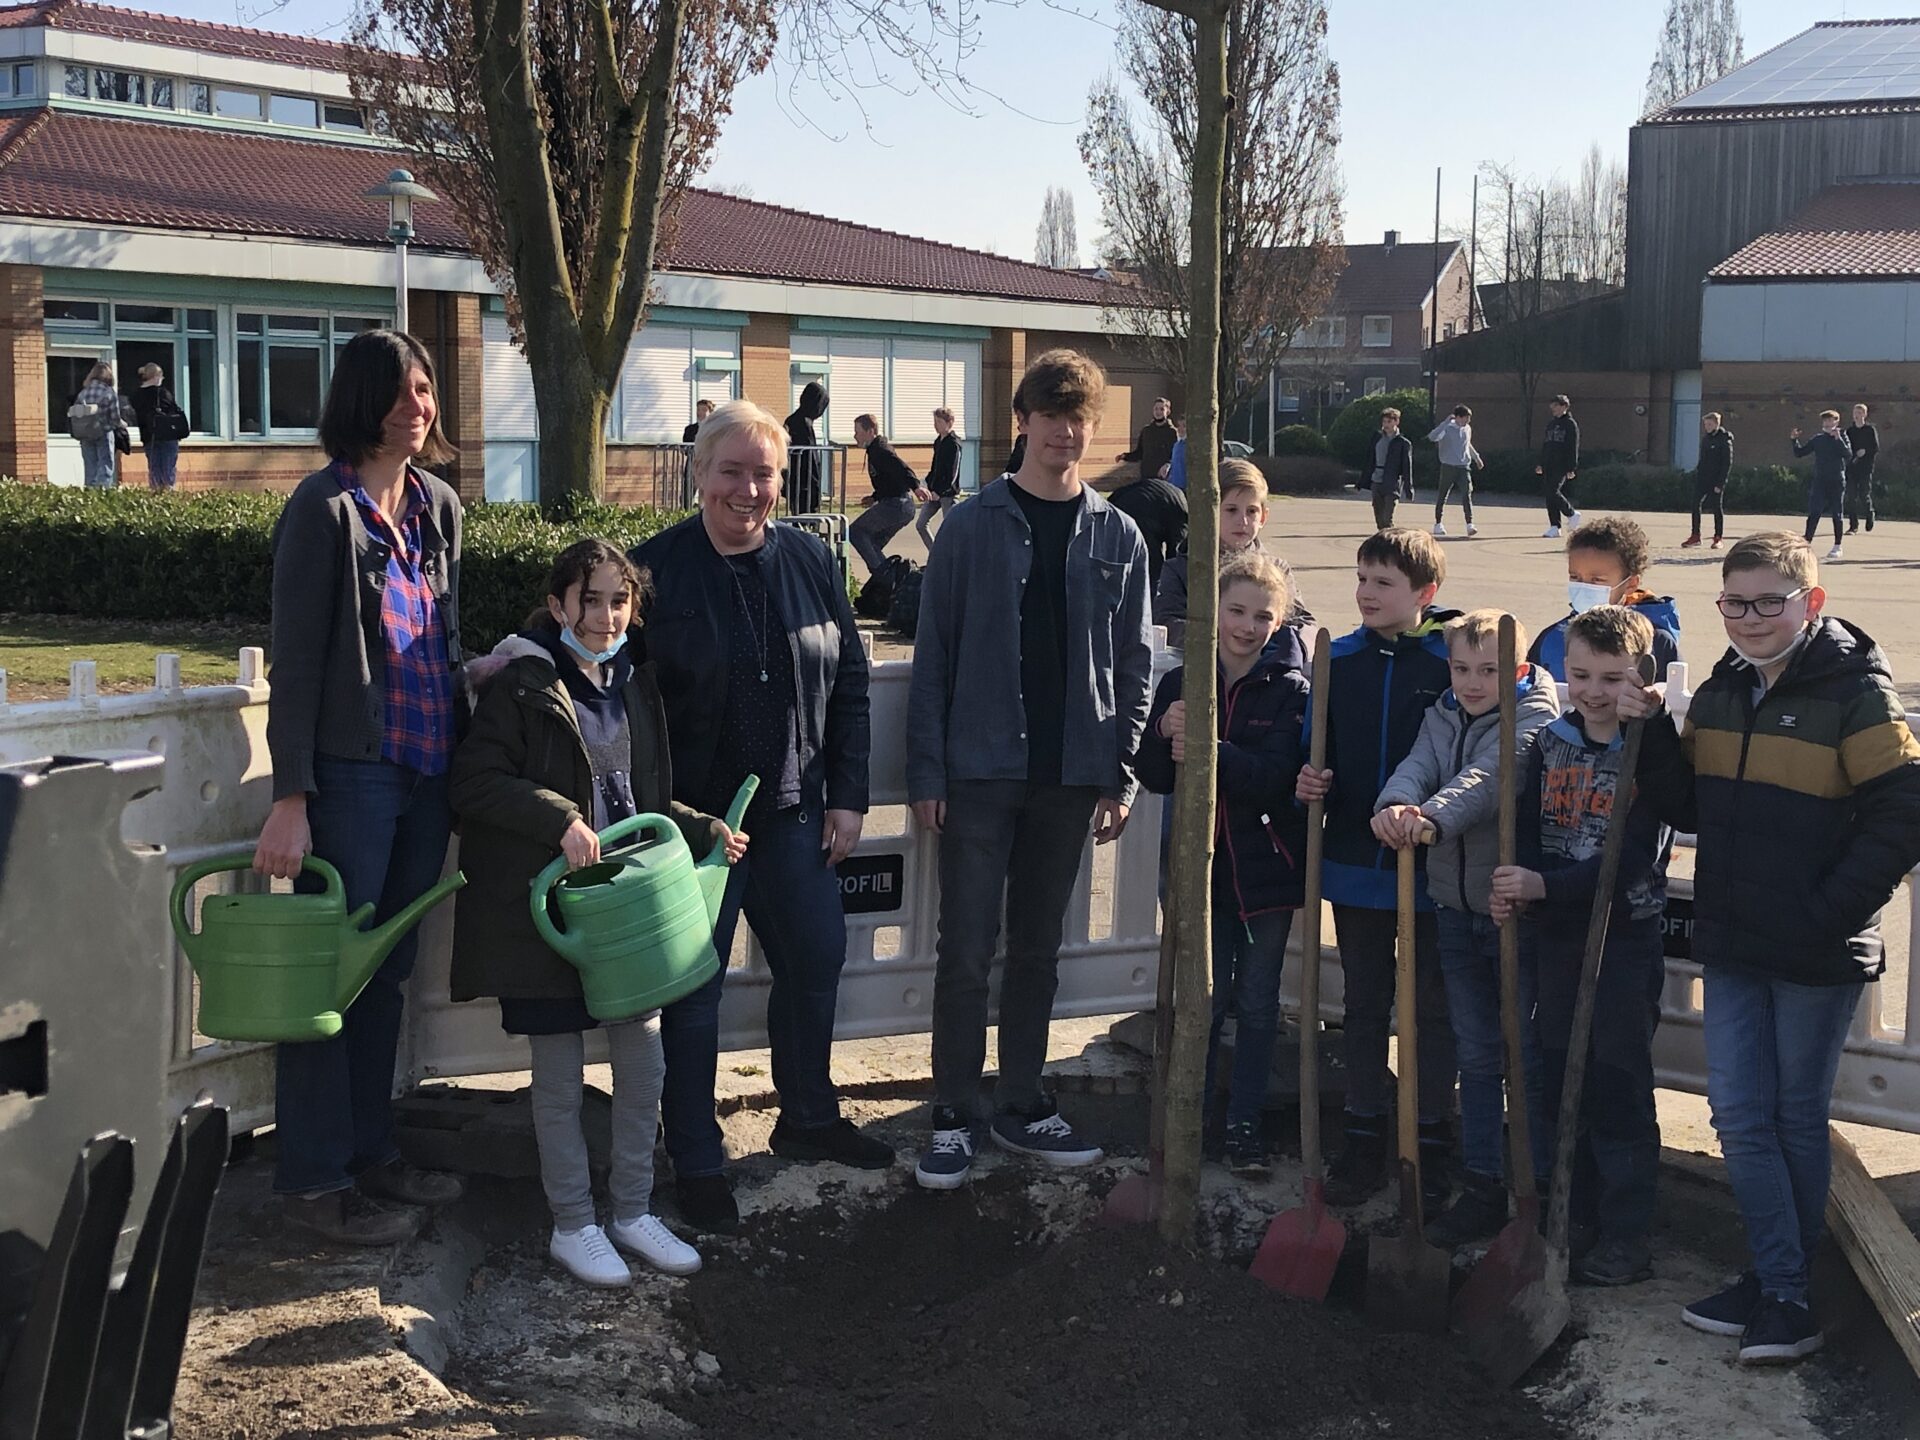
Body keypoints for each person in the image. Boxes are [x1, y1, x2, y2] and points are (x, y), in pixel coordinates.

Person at [1622, 534, 1920, 1363]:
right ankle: (1776, 1278)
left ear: (1810, 604)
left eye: (1768, 602)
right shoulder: (1722, 690)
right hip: (1736, 942)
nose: (1749, 619)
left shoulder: (1854, 694)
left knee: (1790, 1118)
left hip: (1815, 951)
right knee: (1741, 1117)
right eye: (1734, 602)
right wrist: (1650, 731)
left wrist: (1827, 911)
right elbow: (1688, 801)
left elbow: (1903, 812)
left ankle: (1789, 1295)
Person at [449, 540, 746, 1286]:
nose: (605, 615)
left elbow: (638, 799)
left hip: (624, 914)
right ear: (558, 606)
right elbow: (474, 784)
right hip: (550, 915)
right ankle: (573, 1224)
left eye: (619, 600)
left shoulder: (633, 684)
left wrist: (699, 822)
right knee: (557, 1076)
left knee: (644, 1059)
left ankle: (632, 1211)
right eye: (590, 599)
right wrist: (557, 820)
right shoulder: (523, 683)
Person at [633, 400, 891, 1234]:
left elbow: (850, 680)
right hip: (694, 830)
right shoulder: (653, 571)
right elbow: (610, 682)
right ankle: (698, 1158)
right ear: (700, 474)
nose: (748, 490)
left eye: (764, 474)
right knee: (694, 995)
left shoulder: (813, 561)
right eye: (732, 472)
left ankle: (808, 1118)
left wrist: (848, 793)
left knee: (816, 963)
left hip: (793, 811)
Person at [906, 348, 1152, 1190]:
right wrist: (928, 773)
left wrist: (1118, 774)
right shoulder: (973, 525)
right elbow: (933, 652)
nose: (1066, 431)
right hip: (978, 772)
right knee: (967, 948)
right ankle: (950, 1113)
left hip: (1071, 774)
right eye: (1051, 415)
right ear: (1022, 422)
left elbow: (1133, 664)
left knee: (1038, 950)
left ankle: (1021, 1101)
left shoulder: (1118, 533)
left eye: (1079, 417)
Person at [251, 330, 467, 1246]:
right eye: (397, 391)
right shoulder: (322, 509)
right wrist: (292, 795)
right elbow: (296, 662)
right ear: (360, 399)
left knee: (387, 979)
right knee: (328, 981)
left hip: (426, 775)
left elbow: (441, 635)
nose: (415, 407)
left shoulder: (439, 508)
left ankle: (374, 1155)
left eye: (423, 390)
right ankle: (313, 1184)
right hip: (349, 778)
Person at [1491, 606, 1672, 1288]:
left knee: (1617, 1075)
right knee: (1560, 1063)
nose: (1594, 691)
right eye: (1580, 675)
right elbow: (1530, 826)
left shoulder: (1645, 748)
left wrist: (1547, 884)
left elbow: (1628, 862)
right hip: (1559, 937)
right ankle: (1574, 1213)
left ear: (1638, 677)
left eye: (1611, 677)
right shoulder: (1552, 741)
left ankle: (1627, 1233)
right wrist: (1522, 878)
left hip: (1624, 937)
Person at [1372, 610, 1560, 1244]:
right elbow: (1419, 763)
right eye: (1461, 669)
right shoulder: (1444, 711)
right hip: (1454, 908)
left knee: (1523, 1056)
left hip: (1514, 913)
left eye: (1490, 670)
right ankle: (1482, 1187)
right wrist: (1396, 804)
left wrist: (1429, 818)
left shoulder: (1535, 718)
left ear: (1520, 668)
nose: (1474, 682)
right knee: (1476, 1056)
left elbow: (1490, 779)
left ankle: (1534, 1188)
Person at [1294, 527, 1459, 1208]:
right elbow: (1314, 743)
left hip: (1431, 867)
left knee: (1430, 1011)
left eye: (1384, 582)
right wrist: (1308, 778)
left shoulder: (1451, 659)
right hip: (1354, 862)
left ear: (1425, 593)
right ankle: (1362, 1137)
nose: (1366, 592)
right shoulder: (1341, 658)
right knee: (1364, 1005)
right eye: (1361, 578)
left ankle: (1430, 1140)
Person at [1135, 551, 1308, 1174]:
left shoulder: (1291, 689)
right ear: (1214, 612)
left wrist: (1208, 745)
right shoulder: (1183, 681)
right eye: (1235, 611)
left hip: (1266, 867)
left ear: (1280, 620)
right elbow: (1156, 779)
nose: (1247, 625)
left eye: (1263, 615)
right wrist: (1162, 734)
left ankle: (1244, 1125)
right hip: (1199, 868)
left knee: (1259, 1003)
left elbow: (1270, 777)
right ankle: (1194, 1116)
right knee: (1201, 1001)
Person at [1155, 459, 1311, 651]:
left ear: (1263, 517)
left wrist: (1268, 641)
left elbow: (1305, 625)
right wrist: (1228, 637)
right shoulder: (1180, 569)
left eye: (1252, 511)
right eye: (1231, 510)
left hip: (1266, 672)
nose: (1242, 520)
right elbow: (1166, 625)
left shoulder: (1277, 570)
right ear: (1208, 513)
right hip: (1204, 673)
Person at [1529, 516, 1681, 683]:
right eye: (1575, 577)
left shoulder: (1657, 642)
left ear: (1630, 584)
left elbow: (1673, 701)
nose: (1584, 587)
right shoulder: (1550, 639)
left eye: (1597, 580)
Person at [849, 413, 928, 577]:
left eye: (857, 431)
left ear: (870, 431)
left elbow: (901, 467)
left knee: (856, 532)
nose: (855, 436)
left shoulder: (880, 449)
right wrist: (874, 497)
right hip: (900, 505)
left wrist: (916, 487)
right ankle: (890, 579)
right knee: (872, 542)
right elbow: (888, 480)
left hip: (897, 505)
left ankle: (883, 577)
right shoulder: (874, 450)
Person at [1105, 467, 1188, 588]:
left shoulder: (1176, 494)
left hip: (1122, 505)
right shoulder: (1181, 512)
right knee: (1151, 565)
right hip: (1141, 512)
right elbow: (1176, 554)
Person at [1790, 412, 1848, 562]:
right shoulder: (1818, 439)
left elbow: (1848, 454)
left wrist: (1838, 439)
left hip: (1836, 480)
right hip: (1820, 480)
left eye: (1830, 420)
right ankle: (1806, 543)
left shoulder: (1842, 436)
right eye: (1825, 421)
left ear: (1836, 421)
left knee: (1837, 513)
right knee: (1814, 511)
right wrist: (1794, 440)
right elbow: (1800, 453)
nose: (1827, 423)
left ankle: (1837, 545)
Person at [69, 359, 133, 490]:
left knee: (90, 464)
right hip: (103, 431)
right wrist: (123, 424)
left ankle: (90, 492)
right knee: (105, 463)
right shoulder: (109, 393)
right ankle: (103, 491)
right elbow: (115, 418)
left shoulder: (83, 392)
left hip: (85, 433)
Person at [129, 362, 187, 491]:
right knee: (168, 468)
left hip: (149, 436)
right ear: (156, 376)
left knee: (154, 468)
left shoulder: (136, 395)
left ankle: (155, 494)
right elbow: (175, 411)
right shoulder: (163, 393)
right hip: (167, 435)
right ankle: (168, 494)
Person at [1427, 405, 1484, 537]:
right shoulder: (1447, 428)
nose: (1467, 421)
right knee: (1443, 495)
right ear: (1457, 417)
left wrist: (1477, 458)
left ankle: (1470, 523)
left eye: (1468, 418)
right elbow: (1432, 437)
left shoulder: (1467, 429)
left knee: (1466, 493)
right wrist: (1445, 422)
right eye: (1465, 418)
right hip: (1448, 466)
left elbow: (1467, 444)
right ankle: (1438, 523)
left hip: (1463, 467)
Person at [1684, 413, 1734, 550]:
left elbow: (1727, 464)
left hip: (1716, 480)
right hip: (1703, 479)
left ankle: (1718, 538)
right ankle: (1695, 536)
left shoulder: (1725, 440)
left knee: (1716, 507)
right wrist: (1697, 473)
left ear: (1717, 424)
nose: (1707, 427)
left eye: (1709, 424)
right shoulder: (1706, 439)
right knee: (1695, 504)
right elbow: (1703, 459)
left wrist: (1720, 484)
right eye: (1705, 424)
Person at [916, 406, 963, 548]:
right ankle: (935, 555)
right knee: (921, 524)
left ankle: (956, 558)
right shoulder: (938, 442)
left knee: (951, 529)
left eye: (939, 422)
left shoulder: (954, 443)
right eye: (934, 422)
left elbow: (952, 474)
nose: (936, 425)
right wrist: (924, 484)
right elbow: (935, 468)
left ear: (949, 423)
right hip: (933, 493)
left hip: (947, 494)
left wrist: (940, 492)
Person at [1537, 395, 1581, 538]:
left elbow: (1573, 446)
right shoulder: (1550, 424)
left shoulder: (1570, 424)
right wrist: (1541, 463)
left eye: (1555, 406)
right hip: (1548, 463)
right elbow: (1546, 445)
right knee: (1549, 495)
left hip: (1561, 465)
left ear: (1564, 406)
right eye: (1552, 406)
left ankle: (1572, 513)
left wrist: (1571, 467)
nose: (1553, 409)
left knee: (1553, 490)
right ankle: (1554, 526)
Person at [784, 382, 829, 515]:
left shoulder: (793, 420)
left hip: (796, 482)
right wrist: (815, 484)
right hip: (804, 484)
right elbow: (810, 458)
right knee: (805, 519)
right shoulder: (803, 423)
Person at [1367, 407, 1414, 531]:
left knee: (1387, 518)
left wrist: (1409, 488)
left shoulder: (1403, 443)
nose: (1386, 425)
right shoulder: (1377, 438)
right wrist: (1362, 481)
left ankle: (1389, 540)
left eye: (1389, 422)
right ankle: (1383, 537)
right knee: (1379, 516)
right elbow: (1369, 460)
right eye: (1384, 422)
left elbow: (1406, 467)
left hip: (1392, 482)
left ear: (1396, 422)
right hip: (1377, 480)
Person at [1116, 395, 1178, 483]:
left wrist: (1168, 465)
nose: (1158, 412)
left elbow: (1176, 456)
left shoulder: (1172, 432)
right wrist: (1125, 456)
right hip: (1146, 476)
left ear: (1167, 412)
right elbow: (1140, 453)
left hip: (1164, 478)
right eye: (1156, 409)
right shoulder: (1146, 431)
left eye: (1161, 409)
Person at [1845, 403, 1878, 535]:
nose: (1857, 416)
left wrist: (1865, 451)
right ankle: (1853, 526)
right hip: (1852, 468)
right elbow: (1845, 448)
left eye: (1859, 413)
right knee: (1851, 497)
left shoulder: (1870, 430)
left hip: (1865, 468)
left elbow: (1875, 448)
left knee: (1864, 495)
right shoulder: (1849, 431)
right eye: (1855, 413)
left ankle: (1870, 514)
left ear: (1864, 414)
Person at [1165, 418, 1189, 491]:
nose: (1180, 429)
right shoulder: (1176, 445)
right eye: (1179, 426)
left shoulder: (1190, 446)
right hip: (1173, 485)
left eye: (1184, 426)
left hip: (1185, 486)